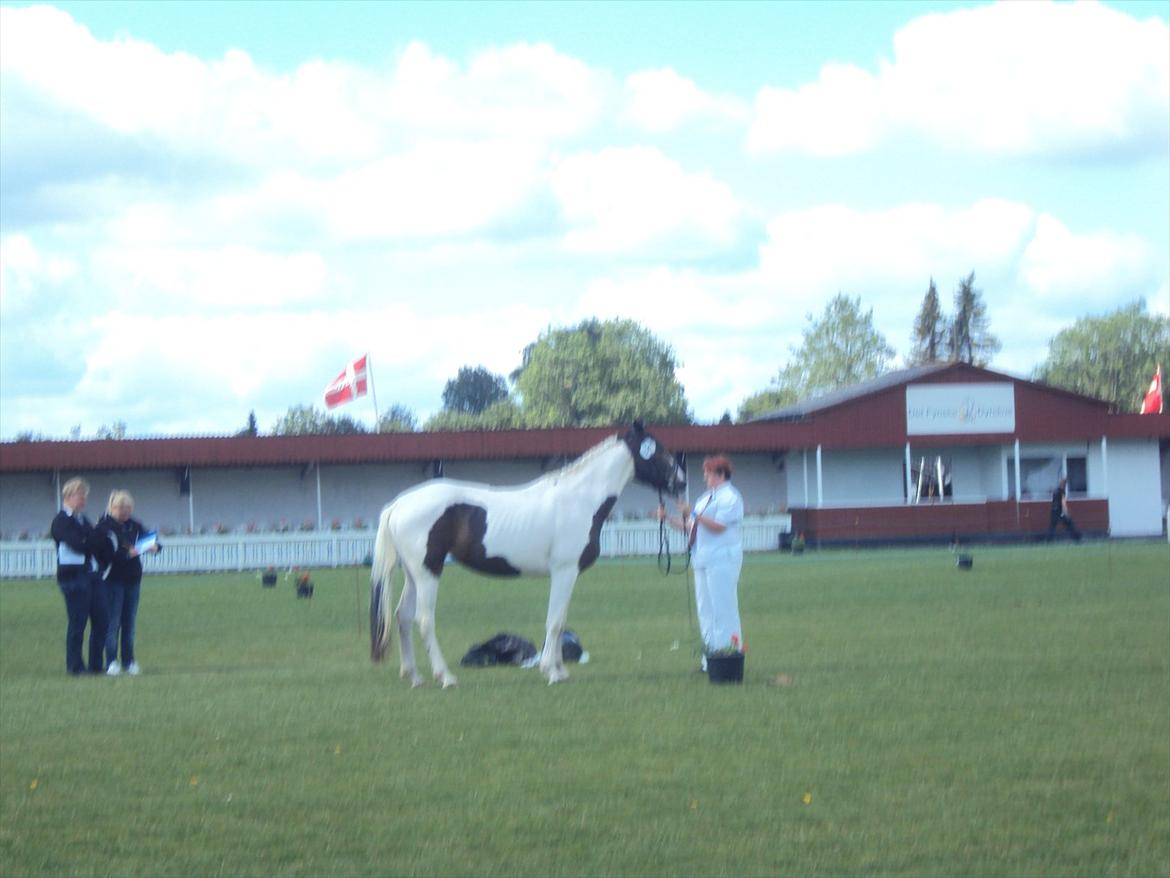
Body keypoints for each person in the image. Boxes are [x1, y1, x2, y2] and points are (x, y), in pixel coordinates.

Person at [659, 455, 745, 668]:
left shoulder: (731, 498)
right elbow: (691, 525)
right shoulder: (705, 498)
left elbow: (719, 526)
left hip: (722, 558)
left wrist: (694, 513)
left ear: (720, 474)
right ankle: (710, 658)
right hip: (702, 559)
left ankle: (729, 653)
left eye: (708, 473)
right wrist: (668, 519)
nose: (705, 476)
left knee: (723, 609)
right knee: (705, 610)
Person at [96, 490, 160, 676]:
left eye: (128, 508)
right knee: (113, 623)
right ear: (112, 507)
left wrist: (155, 546)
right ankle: (111, 661)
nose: (125, 512)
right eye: (121, 508)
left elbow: (151, 539)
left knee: (129, 623)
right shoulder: (104, 527)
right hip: (113, 579)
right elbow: (105, 553)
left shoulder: (134, 525)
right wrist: (126, 554)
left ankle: (129, 661)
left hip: (133, 579)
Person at [49, 477, 108, 675]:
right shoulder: (60, 521)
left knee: (101, 621)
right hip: (73, 578)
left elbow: (97, 541)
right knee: (78, 623)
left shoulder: (83, 520)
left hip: (92, 575)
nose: (84, 499)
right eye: (80, 495)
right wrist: (90, 540)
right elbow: (78, 544)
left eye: (85, 495)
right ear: (69, 496)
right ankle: (75, 666)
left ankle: (95, 665)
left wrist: (89, 540)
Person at [1047, 477, 1082, 542]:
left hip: (1054, 511)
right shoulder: (1062, 492)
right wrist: (1066, 513)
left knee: (1052, 527)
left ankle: (1049, 540)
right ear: (1064, 485)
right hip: (1060, 512)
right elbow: (1063, 503)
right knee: (1070, 525)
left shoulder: (1055, 491)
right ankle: (1077, 538)